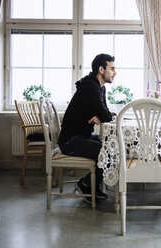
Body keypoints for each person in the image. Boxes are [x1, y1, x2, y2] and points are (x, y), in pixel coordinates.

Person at [58, 53, 117, 203]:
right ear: (101, 69)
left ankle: (90, 184)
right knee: (106, 152)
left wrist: (102, 115)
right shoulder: (90, 87)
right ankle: (86, 184)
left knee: (111, 146)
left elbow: (106, 113)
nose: (115, 73)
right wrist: (103, 115)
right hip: (70, 141)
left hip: (81, 136)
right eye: (112, 69)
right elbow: (105, 114)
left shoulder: (99, 87)